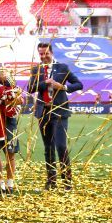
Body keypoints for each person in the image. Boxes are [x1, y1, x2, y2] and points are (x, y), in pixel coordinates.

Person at [28, 41, 83, 190]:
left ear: (51, 52)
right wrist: (45, 84)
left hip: (59, 111)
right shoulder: (36, 69)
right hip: (43, 112)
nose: (43, 56)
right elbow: (30, 88)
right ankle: (51, 181)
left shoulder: (62, 68)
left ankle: (67, 182)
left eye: (46, 53)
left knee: (60, 146)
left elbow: (79, 84)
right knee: (48, 147)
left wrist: (63, 86)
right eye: (40, 54)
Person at [0, 68, 22, 195]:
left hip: (10, 125)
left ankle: (10, 184)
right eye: (1, 72)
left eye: (6, 72)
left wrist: (11, 99)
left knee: (10, 154)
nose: (4, 74)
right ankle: (1, 184)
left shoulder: (17, 89)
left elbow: (18, 105)